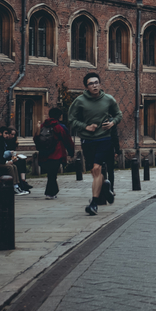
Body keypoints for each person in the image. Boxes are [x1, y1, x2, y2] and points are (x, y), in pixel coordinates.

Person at [68, 72, 122, 215]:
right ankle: (105, 185)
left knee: (97, 168)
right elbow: (71, 119)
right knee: (94, 172)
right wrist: (85, 127)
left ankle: (93, 203)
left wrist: (112, 123)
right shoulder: (79, 101)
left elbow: (118, 115)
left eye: (97, 82)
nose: (95, 85)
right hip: (87, 140)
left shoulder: (108, 99)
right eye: (91, 83)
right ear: (86, 86)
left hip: (104, 139)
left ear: (100, 84)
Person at [35, 108, 75, 200]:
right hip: (56, 153)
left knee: (51, 174)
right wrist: (71, 152)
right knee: (52, 174)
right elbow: (67, 140)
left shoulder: (42, 126)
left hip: (44, 154)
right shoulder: (59, 127)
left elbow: (36, 139)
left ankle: (53, 191)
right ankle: (50, 193)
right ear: (59, 116)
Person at [0, 126, 32, 195]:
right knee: (9, 167)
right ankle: (13, 187)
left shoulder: (1, 141)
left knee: (14, 166)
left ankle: (17, 186)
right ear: (1, 133)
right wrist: (6, 162)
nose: (7, 135)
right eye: (6, 133)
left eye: (8, 134)